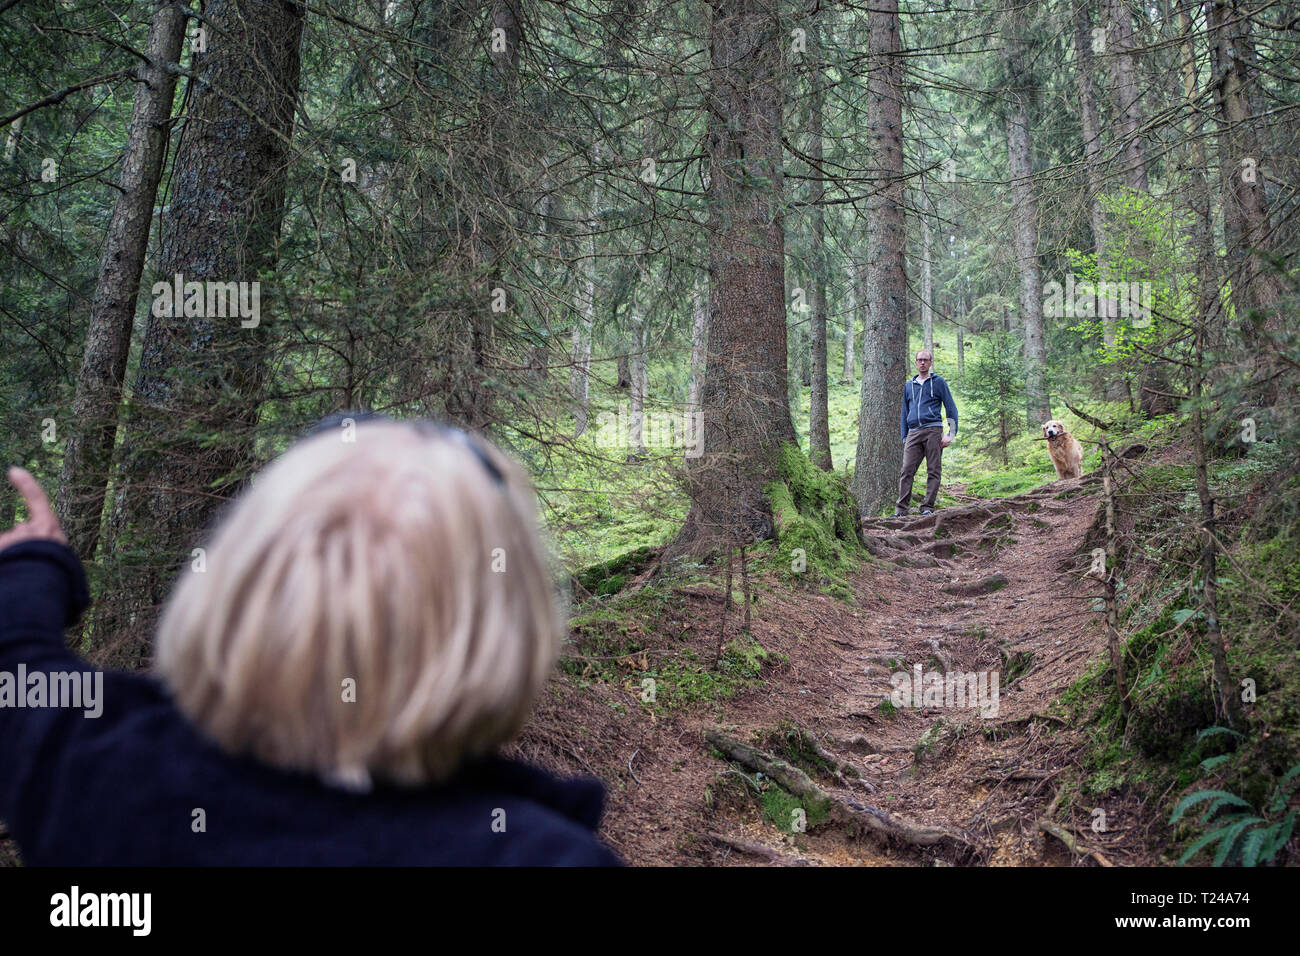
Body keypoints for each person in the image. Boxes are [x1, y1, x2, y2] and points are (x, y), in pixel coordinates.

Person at [0, 414, 623, 865]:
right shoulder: (535, 856)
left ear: (232, 581)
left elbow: (19, 666)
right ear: (504, 635)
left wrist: (33, 566)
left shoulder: (100, 778)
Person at [895, 349, 958, 516]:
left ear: (930, 363)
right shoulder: (909, 385)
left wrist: (951, 433)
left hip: (933, 430)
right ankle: (901, 510)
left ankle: (928, 508)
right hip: (913, 432)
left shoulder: (939, 383)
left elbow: (951, 408)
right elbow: (904, 412)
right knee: (906, 470)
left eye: (926, 360)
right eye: (919, 360)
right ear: (915, 363)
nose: (922, 362)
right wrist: (904, 436)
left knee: (933, 470)